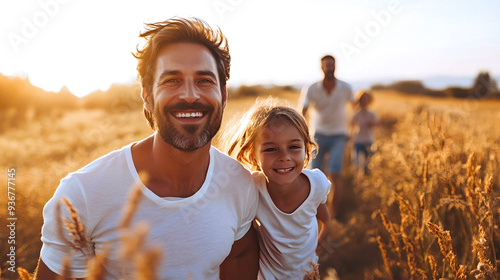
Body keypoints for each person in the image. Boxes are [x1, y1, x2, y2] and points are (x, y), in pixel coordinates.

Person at [35, 17, 259, 280]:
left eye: (204, 80)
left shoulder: (239, 183)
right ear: (147, 96)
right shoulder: (82, 194)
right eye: (172, 80)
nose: (189, 95)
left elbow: (239, 254)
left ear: (223, 94)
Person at [226, 100, 331, 279]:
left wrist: (323, 236)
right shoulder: (252, 188)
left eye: (294, 147)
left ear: (306, 150)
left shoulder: (317, 184)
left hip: (307, 273)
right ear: (253, 155)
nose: (284, 157)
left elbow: (325, 218)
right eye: (271, 149)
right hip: (267, 275)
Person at [300, 55, 354, 218]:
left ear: (335, 66)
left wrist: (352, 131)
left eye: (332, 65)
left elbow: (354, 108)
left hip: (339, 135)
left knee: (335, 173)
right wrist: (302, 133)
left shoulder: (345, 87)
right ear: (321, 67)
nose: (329, 68)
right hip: (318, 135)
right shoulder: (312, 88)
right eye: (326, 65)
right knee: (316, 174)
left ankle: (333, 214)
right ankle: (315, 213)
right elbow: (303, 110)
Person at [350, 91, 378, 175]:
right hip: (358, 140)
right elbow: (351, 125)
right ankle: (358, 178)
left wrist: (372, 124)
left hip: (368, 140)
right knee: (357, 162)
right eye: (362, 100)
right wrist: (350, 137)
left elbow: (376, 124)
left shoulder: (372, 114)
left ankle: (366, 179)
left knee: (368, 163)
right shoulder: (356, 114)